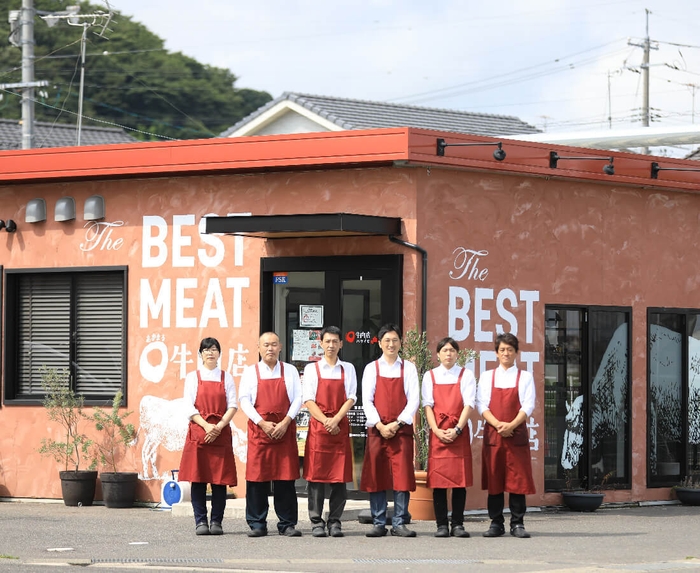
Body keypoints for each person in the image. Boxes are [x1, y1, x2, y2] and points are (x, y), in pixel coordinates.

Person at [239, 331, 303, 537]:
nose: (270, 348)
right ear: (258, 348)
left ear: (281, 347)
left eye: (274, 344)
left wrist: (286, 422)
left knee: (285, 479)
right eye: (266, 345)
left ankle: (287, 523)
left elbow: (298, 399)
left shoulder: (290, 370)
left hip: (284, 430)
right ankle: (257, 523)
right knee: (257, 479)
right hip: (260, 431)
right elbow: (244, 400)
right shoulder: (251, 372)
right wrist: (262, 423)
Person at [360, 323, 420, 538]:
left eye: (395, 340)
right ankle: (378, 521)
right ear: (379, 343)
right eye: (387, 340)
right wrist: (379, 424)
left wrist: (398, 423)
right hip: (378, 430)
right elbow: (367, 399)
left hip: (400, 431)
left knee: (402, 476)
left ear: (400, 343)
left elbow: (414, 399)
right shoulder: (372, 368)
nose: (391, 344)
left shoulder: (409, 368)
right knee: (377, 475)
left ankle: (400, 522)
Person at [476, 332, 536, 539]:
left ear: (516, 353)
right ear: (496, 353)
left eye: (510, 350)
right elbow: (481, 404)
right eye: (502, 350)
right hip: (494, 435)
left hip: (516, 434)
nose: (506, 353)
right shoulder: (487, 376)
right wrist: (498, 424)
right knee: (495, 479)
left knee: (517, 481)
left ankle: (517, 523)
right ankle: (496, 523)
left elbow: (528, 405)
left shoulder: (525, 377)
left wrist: (511, 425)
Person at [178, 337, 238, 536]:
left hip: (220, 433)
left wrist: (218, 427)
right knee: (199, 479)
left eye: (214, 349)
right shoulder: (193, 377)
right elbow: (188, 405)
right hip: (199, 431)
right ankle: (200, 521)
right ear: (200, 354)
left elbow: (233, 405)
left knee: (219, 481)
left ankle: (217, 522)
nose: (210, 353)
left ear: (219, 353)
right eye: (206, 350)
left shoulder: (226, 377)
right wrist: (206, 426)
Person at [302, 325, 357, 538]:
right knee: (316, 478)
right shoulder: (312, 369)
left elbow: (351, 397)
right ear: (321, 344)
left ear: (341, 344)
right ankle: (316, 521)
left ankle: (335, 521)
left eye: (335, 341)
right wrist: (326, 420)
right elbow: (308, 399)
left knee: (339, 478)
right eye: (328, 341)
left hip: (339, 426)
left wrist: (336, 419)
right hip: (319, 428)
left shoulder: (348, 369)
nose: (331, 345)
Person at [422, 337, 475, 538]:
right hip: (438, 433)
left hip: (458, 433)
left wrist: (458, 429)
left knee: (459, 482)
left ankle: (458, 524)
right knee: (438, 481)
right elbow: (427, 405)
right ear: (438, 354)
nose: (448, 354)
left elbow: (469, 404)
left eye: (452, 350)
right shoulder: (430, 376)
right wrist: (435, 430)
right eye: (444, 350)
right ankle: (441, 524)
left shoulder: (466, 375)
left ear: (457, 354)